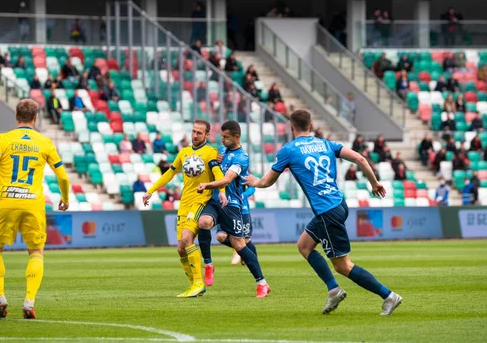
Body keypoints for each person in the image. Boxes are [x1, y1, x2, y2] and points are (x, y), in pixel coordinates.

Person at [244, 109, 401, 315]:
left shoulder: (289, 150)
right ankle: (333, 290)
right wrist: (374, 183)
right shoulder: (326, 144)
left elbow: (266, 181)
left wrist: (254, 181)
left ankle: (388, 296)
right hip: (338, 204)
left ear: (291, 127)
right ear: (311, 126)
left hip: (327, 212)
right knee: (304, 246)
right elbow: (361, 159)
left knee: (343, 266)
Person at [0, 99, 70, 320]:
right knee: (36, 253)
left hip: (6, 201)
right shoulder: (44, 142)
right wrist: (65, 198)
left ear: (16, 116)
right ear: (36, 117)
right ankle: (29, 302)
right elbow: (63, 176)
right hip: (33, 203)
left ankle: (0, 297)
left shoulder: (3, 139)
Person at [142, 120, 226, 298]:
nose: (195, 136)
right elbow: (170, 173)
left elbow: (219, 174)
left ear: (207, 135)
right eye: (193, 132)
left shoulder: (211, 153)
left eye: (199, 133)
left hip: (200, 202)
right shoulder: (184, 152)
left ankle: (198, 282)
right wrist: (150, 191)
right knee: (181, 248)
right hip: (184, 203)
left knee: (187, 238)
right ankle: (193, 286)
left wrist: (222, 191)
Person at [196, 121, 270, 297]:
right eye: (221, 136)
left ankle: (262, 283)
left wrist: (206, 185)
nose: (222, 140)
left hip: (232, 205)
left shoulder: (241, 157)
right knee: (204, 222)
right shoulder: (221, 151)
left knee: (239, 244)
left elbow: (227, 179)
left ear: (236, 137)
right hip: (215, 201)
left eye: (225, 137)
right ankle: (208, 264)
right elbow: (212, 166)